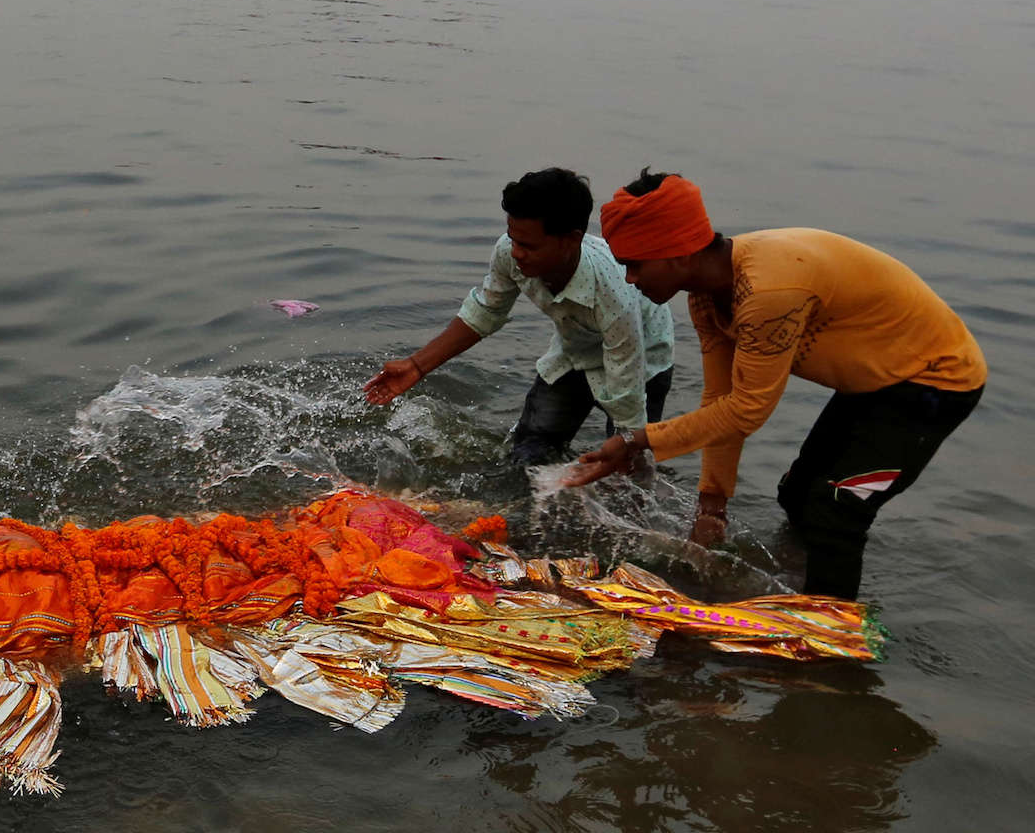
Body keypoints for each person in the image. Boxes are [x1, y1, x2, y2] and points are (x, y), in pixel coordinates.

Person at [565, 172, 987, 599]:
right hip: (876, 379)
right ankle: (800, 583)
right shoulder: (706, 294)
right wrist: (712, 505)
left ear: (676, 252)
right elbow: (720, 399)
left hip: (934, 382)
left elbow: (748, 408)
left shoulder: (768, 292)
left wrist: (637, 441)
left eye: (635, 264)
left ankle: (826, 627)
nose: (631, 280)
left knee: (835, 509)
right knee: (798, 494)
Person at [366, 168, 676, 469]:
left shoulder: (612, 291)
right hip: (574, 352)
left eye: (527, 245)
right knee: (528, 457)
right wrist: (417, 365)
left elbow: (627, 384)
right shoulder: (508, 252)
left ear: (571, 240)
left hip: (642, 360)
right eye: (513, 239)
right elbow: (485, 311)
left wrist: (625, 445)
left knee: (629, 465)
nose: (516, 253)